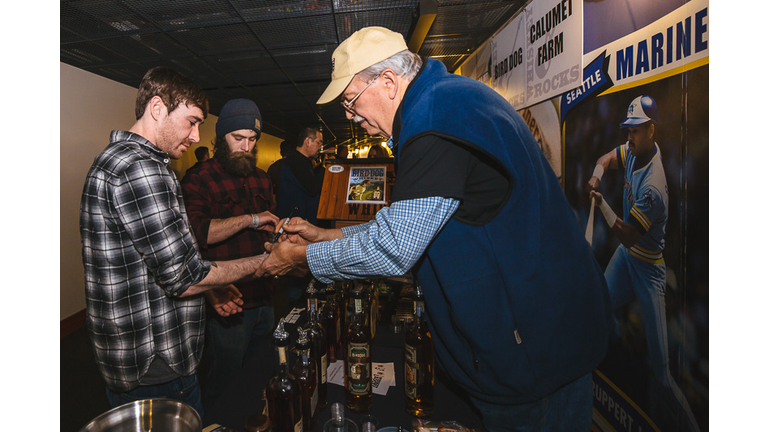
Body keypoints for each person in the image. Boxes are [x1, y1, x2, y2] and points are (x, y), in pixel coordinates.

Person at [257, 26, 612, 431]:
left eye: (351, 102)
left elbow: (396, 246)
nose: (353, 118)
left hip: (535, 351)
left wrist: (302, 256)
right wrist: (327, 236)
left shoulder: (433, 117)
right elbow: (407, 223)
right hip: (532, 336)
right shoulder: (442, 101)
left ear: (389, 82)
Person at [80, 67, 269, 416]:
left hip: (136, 354)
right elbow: (183, 279)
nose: (197, 136)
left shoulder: (120, 160)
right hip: (156, 357)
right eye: (192, 121)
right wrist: (268, 262)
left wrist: (210, 288)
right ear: (157, 108)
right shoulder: (140, 168)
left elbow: (163, 259)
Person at [588, 96, 700, 432]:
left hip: (647, 268)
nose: (629, 136)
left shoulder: (655, 185)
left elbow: (628, 236)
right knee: (600, 306)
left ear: (651, 130)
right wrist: (597, 172)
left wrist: (604, 204)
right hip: (626, 260)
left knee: (662, 373)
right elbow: (606, 157)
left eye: (635, 130)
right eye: (628, 129)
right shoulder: (635, 152)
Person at [180, 98, 279, 408]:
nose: (246, 147)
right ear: (221, 137)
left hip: (265, 295)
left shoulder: (262, 177)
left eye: (252, 140)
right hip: (228, 301)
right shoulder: (199, 179)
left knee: (262, 375)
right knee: (225, 382)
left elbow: (269, 227)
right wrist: (251, 218)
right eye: (238, 138)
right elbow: (199, 234)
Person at [277, 126, 326, 306]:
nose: (320, 147)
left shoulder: (302, 161)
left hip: (302, 223)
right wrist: (326, 168)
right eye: (318, 142)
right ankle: (296, 312)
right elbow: (312, 188)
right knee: (297, 274)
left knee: (303, 273)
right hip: (295, 226)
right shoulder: (295, 161)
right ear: (308, 141)